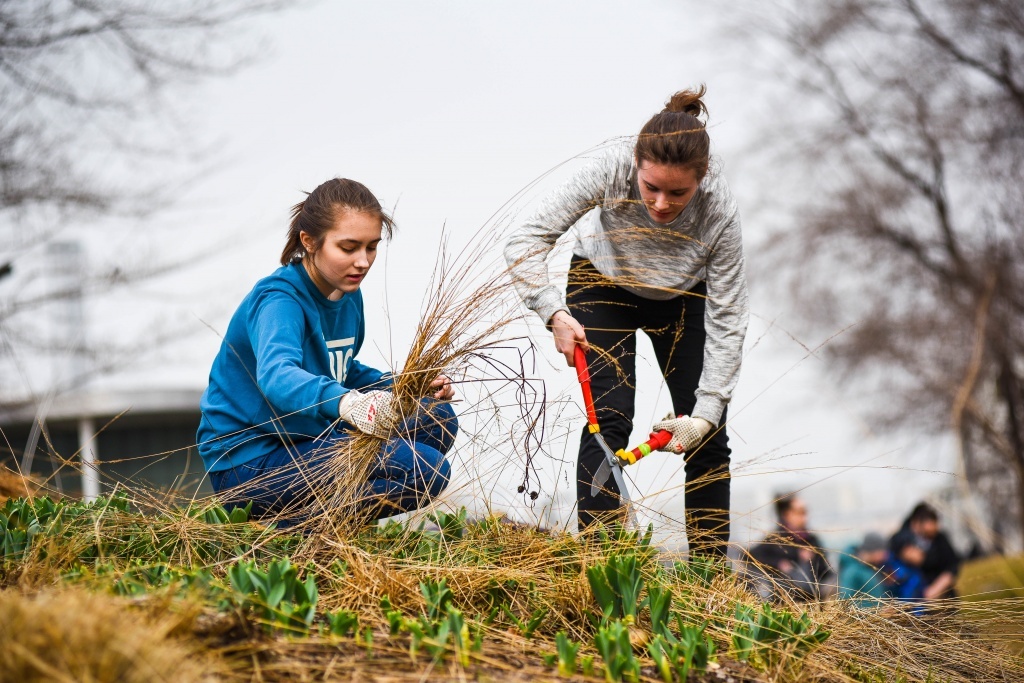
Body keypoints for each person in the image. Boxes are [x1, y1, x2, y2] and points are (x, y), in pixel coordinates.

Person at [504, 86, 749, 557]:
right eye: (650, 187)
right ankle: (602, 560)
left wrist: (706, 412)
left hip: (681, 298)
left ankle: (711, 577)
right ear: (636, 164)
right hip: (602, 284)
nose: (660, 204)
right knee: (610, 420)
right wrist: (553, 311)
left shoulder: (719, 211)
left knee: (707, 435)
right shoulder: (609, 169)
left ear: (701, 179)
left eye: (678, 192)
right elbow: (525, 240)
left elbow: (728, 315)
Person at [196, 178, 457, 526]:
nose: (363, 262)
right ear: (309, 242)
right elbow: (278, 376)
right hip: (249, 463)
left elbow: (341, 371)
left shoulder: (347, 294)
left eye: (371, 247)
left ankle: (316, 527)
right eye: (348, 248)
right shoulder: (279, 300)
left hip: (306, 441)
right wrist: (348, 403)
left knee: (436, 419)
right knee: (424, 468)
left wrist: (405, 384)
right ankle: (293, 535)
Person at [746, 494, 835, 601]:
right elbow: (749, 556)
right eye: (800, 512)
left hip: (810, 598)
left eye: (805, 512)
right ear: (787, 514)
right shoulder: (775, 539)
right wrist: (780, 563)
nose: (805, 517)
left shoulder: (812, 540)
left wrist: (811, 561)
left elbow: (824, 571)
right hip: (781, 598)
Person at [889, 502, 960, 600]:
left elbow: (952, 566)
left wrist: (937, 587)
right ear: (915, 524)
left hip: (940, 596)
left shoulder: (940, 540)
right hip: (911, 599)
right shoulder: (901, 540)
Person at [838, 532, 923, 608]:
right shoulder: (852, 571)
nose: (885, 556)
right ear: (873, 551)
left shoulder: (873, 568)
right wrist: (876, 612)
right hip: (864, 622)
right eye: (882, 551)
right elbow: (845, 602)